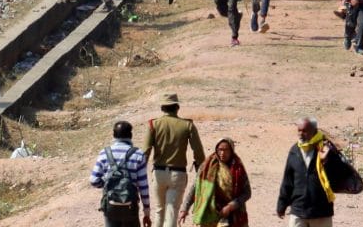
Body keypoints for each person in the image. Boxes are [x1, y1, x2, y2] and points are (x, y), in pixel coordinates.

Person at [140, 93, 206, 227]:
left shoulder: (153, 124)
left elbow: (145, 151)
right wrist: (201, 169)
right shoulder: (187, 125)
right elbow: (198, 152)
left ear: (162, 108)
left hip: (158, 174)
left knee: (159, 211)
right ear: (177, 107)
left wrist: (139, 172)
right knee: (172, 212)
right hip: (178, 174)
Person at [276, 117, 349, 225]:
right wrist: (281, 204)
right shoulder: (294, 150)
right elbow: (288, 180)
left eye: (304, 131)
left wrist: (327, 162)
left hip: (321, 212)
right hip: (298, 210)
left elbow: (341, 175)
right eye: (299, 130)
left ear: (314, 131)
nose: (301, 134)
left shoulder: (326, 149)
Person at [90, 121, 151, 227]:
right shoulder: (138, 154)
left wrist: (107, 182)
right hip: (130, 207)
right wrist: (146, 211)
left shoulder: (104, 153)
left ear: (113, 135)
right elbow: (143, 186)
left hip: (110, 206)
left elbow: (94, 180)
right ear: (131, 135)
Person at [179, 137, 250, 227]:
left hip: (233, 215)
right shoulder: (206, 167)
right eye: (220, 150)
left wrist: (231, 206)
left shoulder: (238, 169)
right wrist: (184, 209)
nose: (222, 153)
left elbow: (247, 193)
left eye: (226, 150)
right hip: (208, 212)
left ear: (231, 150)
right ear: (216, 149)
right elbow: (195, 188)